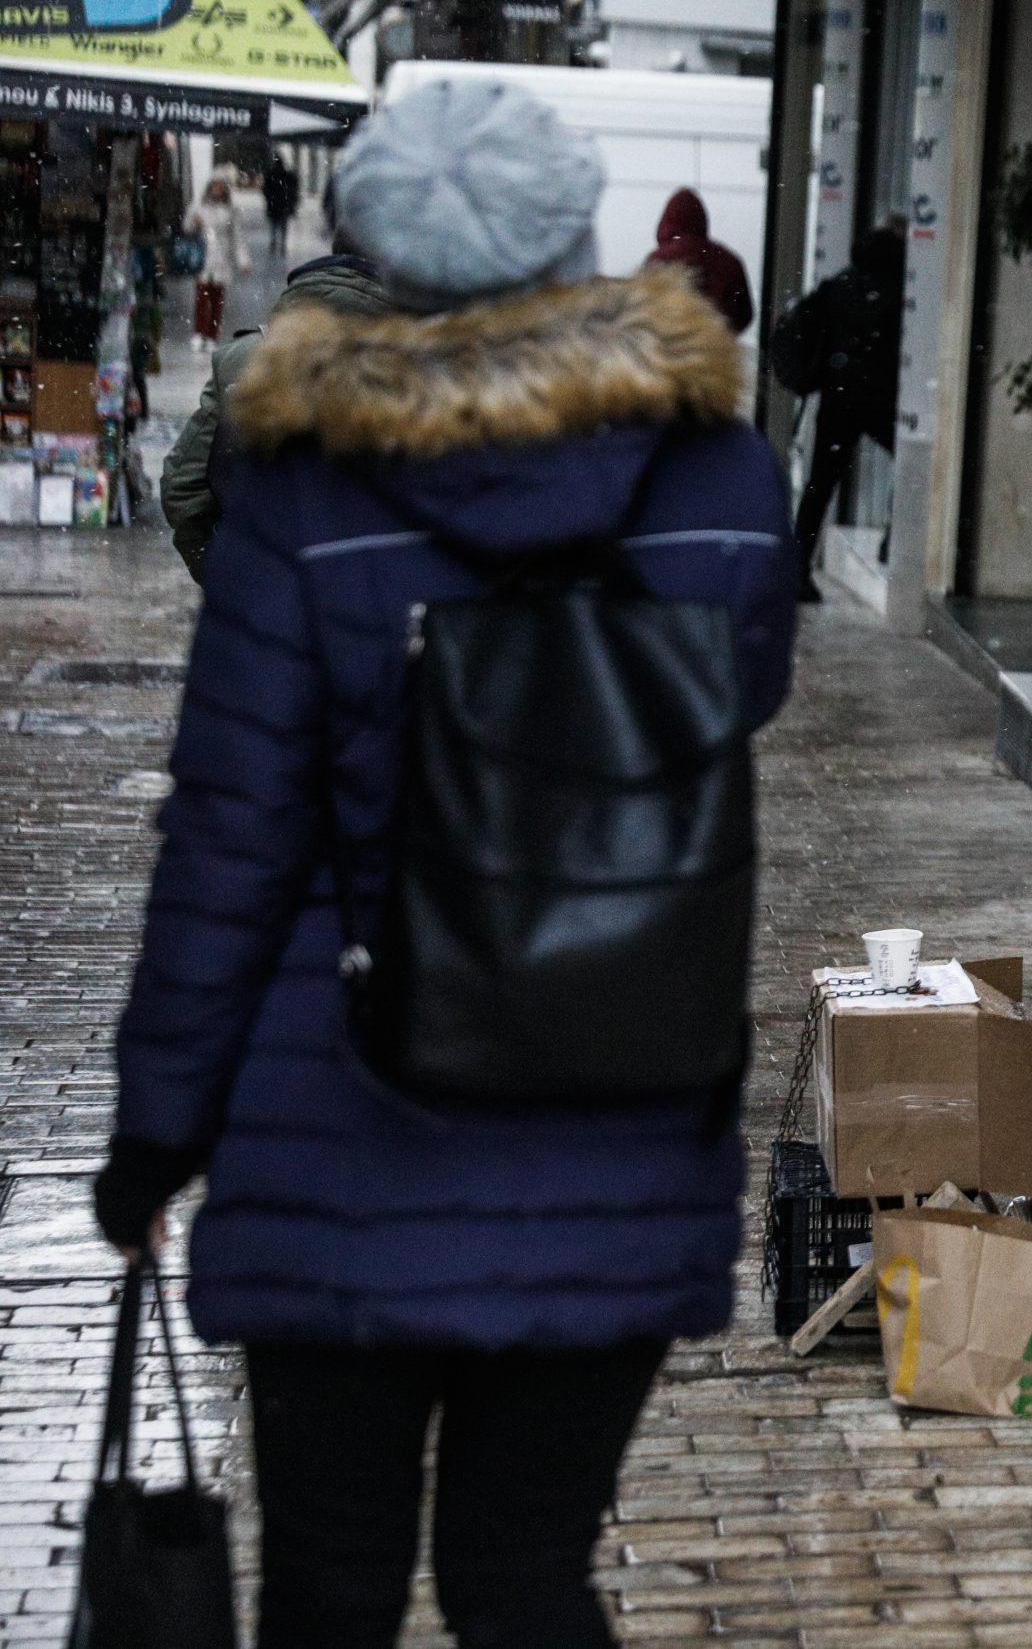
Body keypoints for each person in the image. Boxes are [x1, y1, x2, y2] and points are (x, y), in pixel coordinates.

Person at [93, 80, 797, 1648]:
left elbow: (232, 835)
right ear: (570, 235)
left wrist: (155, 1135)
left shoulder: (307, 493)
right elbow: (739, 693)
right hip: (619, 1107)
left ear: (380, 250)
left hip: (340, 1120)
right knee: (525, 1579)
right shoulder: (720, 477)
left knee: (332, 1593)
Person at [160, 246, 392, 579]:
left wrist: (229, 578)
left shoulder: (245, 359)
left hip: (264, 587)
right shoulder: (418, 374)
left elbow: (183, 486)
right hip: (376, 602)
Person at [768, 219, 903, 597]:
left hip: (838, 396)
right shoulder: (900, 290)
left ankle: (796, 570)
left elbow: (806, 328)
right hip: (881, 398)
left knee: (820, 484)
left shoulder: (841, 284)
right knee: (907, 463)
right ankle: (895, 542)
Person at [642, 187, 752, 334]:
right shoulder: (729, 261)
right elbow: (744, 315)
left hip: (669, 351)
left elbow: (642, 313)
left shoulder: (658, 261)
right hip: (716, 350)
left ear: (666, 220)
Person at [185, 177, 249, 352]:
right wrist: (194, 223)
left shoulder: (231, 210)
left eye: (220, 186)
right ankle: (198, 333)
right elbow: (187, 226)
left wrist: (243, 260)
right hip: (203, 257)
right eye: (214, 186)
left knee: (216, 299)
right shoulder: (199, 206)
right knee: (201, 297)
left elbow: (237, 237)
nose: (217, 189)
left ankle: (212, 335)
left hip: (222, 258)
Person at [262, 156, 301, 256]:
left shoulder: (271, 175)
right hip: (283, 206)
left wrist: (269, 199)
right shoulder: (287, 175)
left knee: (274, 226)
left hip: (274, 206)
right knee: (283, 226)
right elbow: (293, 190)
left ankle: (274, 243)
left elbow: (265, 190)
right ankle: (282, 244)